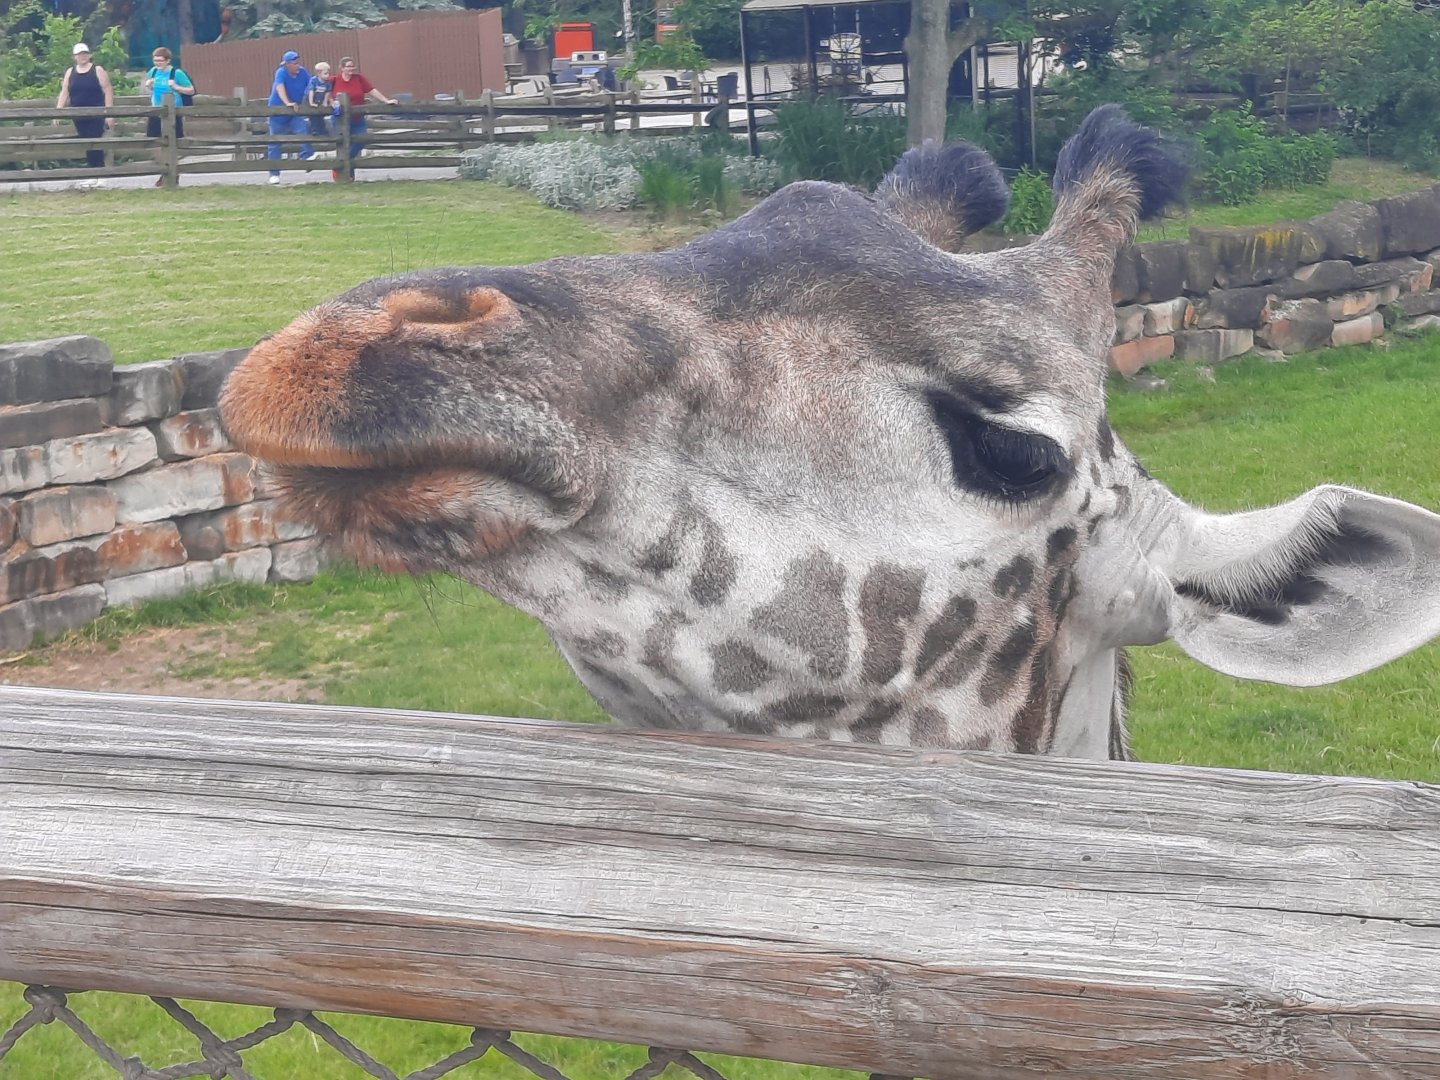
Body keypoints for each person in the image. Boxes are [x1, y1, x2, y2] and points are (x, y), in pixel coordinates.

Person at [329, 57, 397, 181]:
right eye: (348, 66)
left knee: (362, 138)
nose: (351, 68)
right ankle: (347, 176)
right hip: (340, 119)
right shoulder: (334, 80)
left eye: (352, 66)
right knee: (344, 144)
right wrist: (329, 101)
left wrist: (386, 100)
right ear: (342, 68)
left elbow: (372, 90)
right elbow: (322, 88)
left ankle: (341, 165)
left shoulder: (359, 78)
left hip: (358, 117)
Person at [54, 43, 114, 170]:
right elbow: (65, 91)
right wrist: (59, 110)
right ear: (74, 57)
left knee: (94, 139)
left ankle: (98, 170)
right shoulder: (70, 72)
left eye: (85, 54)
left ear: (89, 55)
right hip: (78, 114)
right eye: (80, 54)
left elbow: (107, 90)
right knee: (86, 141)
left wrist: (109, 113)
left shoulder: (97, 70)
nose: (83, 57)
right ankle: (94, 170)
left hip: (97, 112)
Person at [142, 47, 194, 187]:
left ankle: (170, 172)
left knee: (171, 143)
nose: (157, 63)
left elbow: (191, 90)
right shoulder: (153, 72)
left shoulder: (176, 73)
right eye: (155, 60)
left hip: (173, 113)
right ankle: (169, 170)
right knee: (152, 143)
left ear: (168, 60)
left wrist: (176, 86)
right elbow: (151, 89)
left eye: (160, 61)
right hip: (156, 111)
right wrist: (149, 86)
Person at [266, 50, 313, 185]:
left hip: (294, 111)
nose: (297, 65)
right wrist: (287, 103)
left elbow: (311, 87)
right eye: (294, 63)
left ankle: (306, 158)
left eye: (297, 62)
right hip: (278, 112)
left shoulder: (303, 72)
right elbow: (279, 87)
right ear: (286, 64)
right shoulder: (281, 72)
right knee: (275, 142)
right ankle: (274, 174)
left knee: (303, 130)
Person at [305, 61, 333, 140]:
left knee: (320, 114)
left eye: (328, 73)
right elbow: (311, 91)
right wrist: (311, 103)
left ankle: (322, 130)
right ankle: (314, 130)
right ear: (319, 74)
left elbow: (328, 92)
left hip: (319, 99)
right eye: (325, 73)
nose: (328, 75)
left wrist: (325, 102)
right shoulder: (314, 81)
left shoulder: (327, 83)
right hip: (309, 99)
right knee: (313, 115)